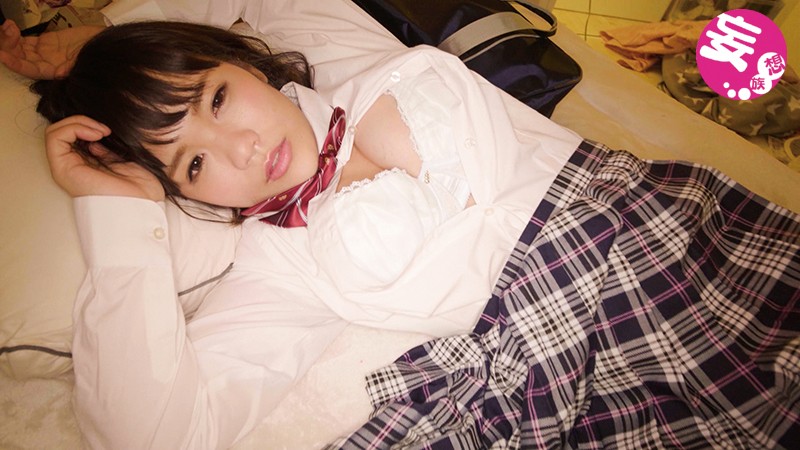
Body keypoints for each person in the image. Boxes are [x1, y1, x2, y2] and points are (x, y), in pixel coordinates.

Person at [2, 2, 799, 449]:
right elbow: (153, 435)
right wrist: (117, 213)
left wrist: (112, 32)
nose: (241, 147)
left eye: (216, 99)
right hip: (563, 365)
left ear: (243, 61)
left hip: (659, 241)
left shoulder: (351, 57)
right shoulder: (278, 263)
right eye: (195, 164)